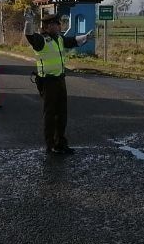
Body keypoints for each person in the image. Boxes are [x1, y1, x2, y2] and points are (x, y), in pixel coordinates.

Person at [24, 11, 94, 154]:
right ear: (49, 26)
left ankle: (60, 143)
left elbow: (73, 40)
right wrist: (29, 22)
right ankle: (50, 145)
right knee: (50, 114)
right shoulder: (42, 40)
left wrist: (86, 37)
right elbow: (29, 36)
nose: (60, 26)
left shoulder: (59, 38)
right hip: (48, 82)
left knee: (62, 114)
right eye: (57, 24)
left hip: (60, 80)